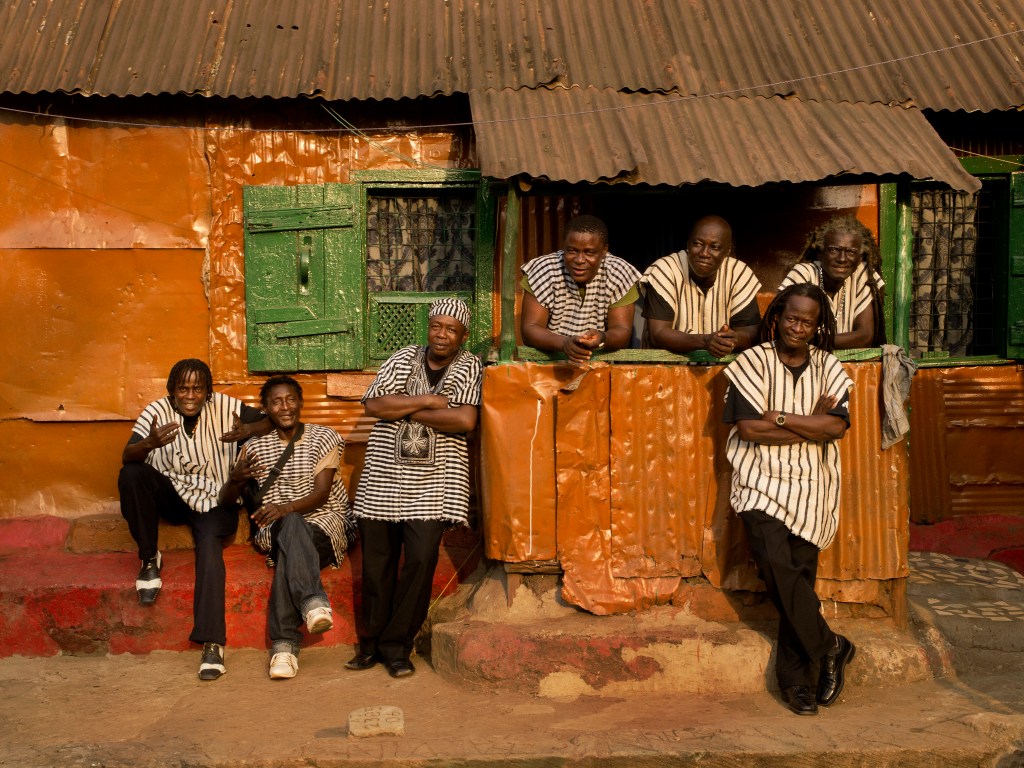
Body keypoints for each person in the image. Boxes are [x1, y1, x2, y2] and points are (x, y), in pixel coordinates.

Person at [722, 283, 856, 716]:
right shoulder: (751, 363)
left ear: (818, 327)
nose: (799, 327)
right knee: (778, 568)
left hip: (812, 486)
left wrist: (780, 416)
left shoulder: (829, 367)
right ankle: (831, 645)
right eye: (792, 318)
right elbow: (748, 430)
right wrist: (810, 423)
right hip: (759, 482)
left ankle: (799, 683)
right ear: (777, 318)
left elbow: (835, 429)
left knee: (795, 582)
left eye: (808, 321)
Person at [347, 298, 483, 678]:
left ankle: (397, 647)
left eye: (451, 330)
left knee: (420, 561)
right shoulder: (404, 357)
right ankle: (371, 644)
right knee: (378, 566)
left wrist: (404, 407)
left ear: (463, 336)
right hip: (383, 478)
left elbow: (464, 418)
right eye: (436, 326)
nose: (442, 335)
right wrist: (425, 400)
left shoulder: (470, 365)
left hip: (436, 483)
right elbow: (374, 405)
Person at [118, 358, 269, 681]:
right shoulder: (155, 412)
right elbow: (127, 456)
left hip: (217, 499)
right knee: (131, 474)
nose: (190, 395)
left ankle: (213, 643)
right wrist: (148, 444)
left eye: (197, 388)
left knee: (209, 549)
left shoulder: (227, 406)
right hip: (173, 494)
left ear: (207, 391)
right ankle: (149, 558)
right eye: (183, 388)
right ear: (172, 390)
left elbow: (270, 422)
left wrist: (249, 430)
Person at [219, 375, 356, 680]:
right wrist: (236, 479)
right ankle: (313, 603)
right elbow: (227, 500)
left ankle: (284, 646)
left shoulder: (324, 437)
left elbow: (321, 494)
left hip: (326, 522)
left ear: (301, 402)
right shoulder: (253, 448)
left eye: (291, 399)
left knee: (289, 549)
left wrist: (285, 509)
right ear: (266, 409)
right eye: (277, 401)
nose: (285, 407)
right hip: (275, 528)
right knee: (290, 529)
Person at [520, 215, 641, 365]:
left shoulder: (620, 273)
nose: (579, 260)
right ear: (563, 246)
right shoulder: (543, 270)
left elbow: (621, 330)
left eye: (589, 252)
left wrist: (602, 338)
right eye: (572, 251)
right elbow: (530, 328)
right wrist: (564, 343)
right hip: (544, 369)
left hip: (598, 369)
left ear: (604, 251)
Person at [640, 215, 762, 357]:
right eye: (697, 244)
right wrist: (705, 341)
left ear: (728, 251)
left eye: (714, 247)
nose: (704, 253)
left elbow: (751, 333)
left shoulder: (738, 273)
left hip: (719, 370)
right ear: (687, 244)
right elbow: (658, 334)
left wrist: (729, 340)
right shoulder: (665, 270)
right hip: (663, 369)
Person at [779, 215, 886, 349]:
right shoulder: (803, 274)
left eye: (851, 252)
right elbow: (790, 332)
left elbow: (865, 337)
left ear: (859, 259)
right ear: (820, 253)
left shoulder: (862, 275)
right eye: (834, 250)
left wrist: (815, 340)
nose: (842, 259)